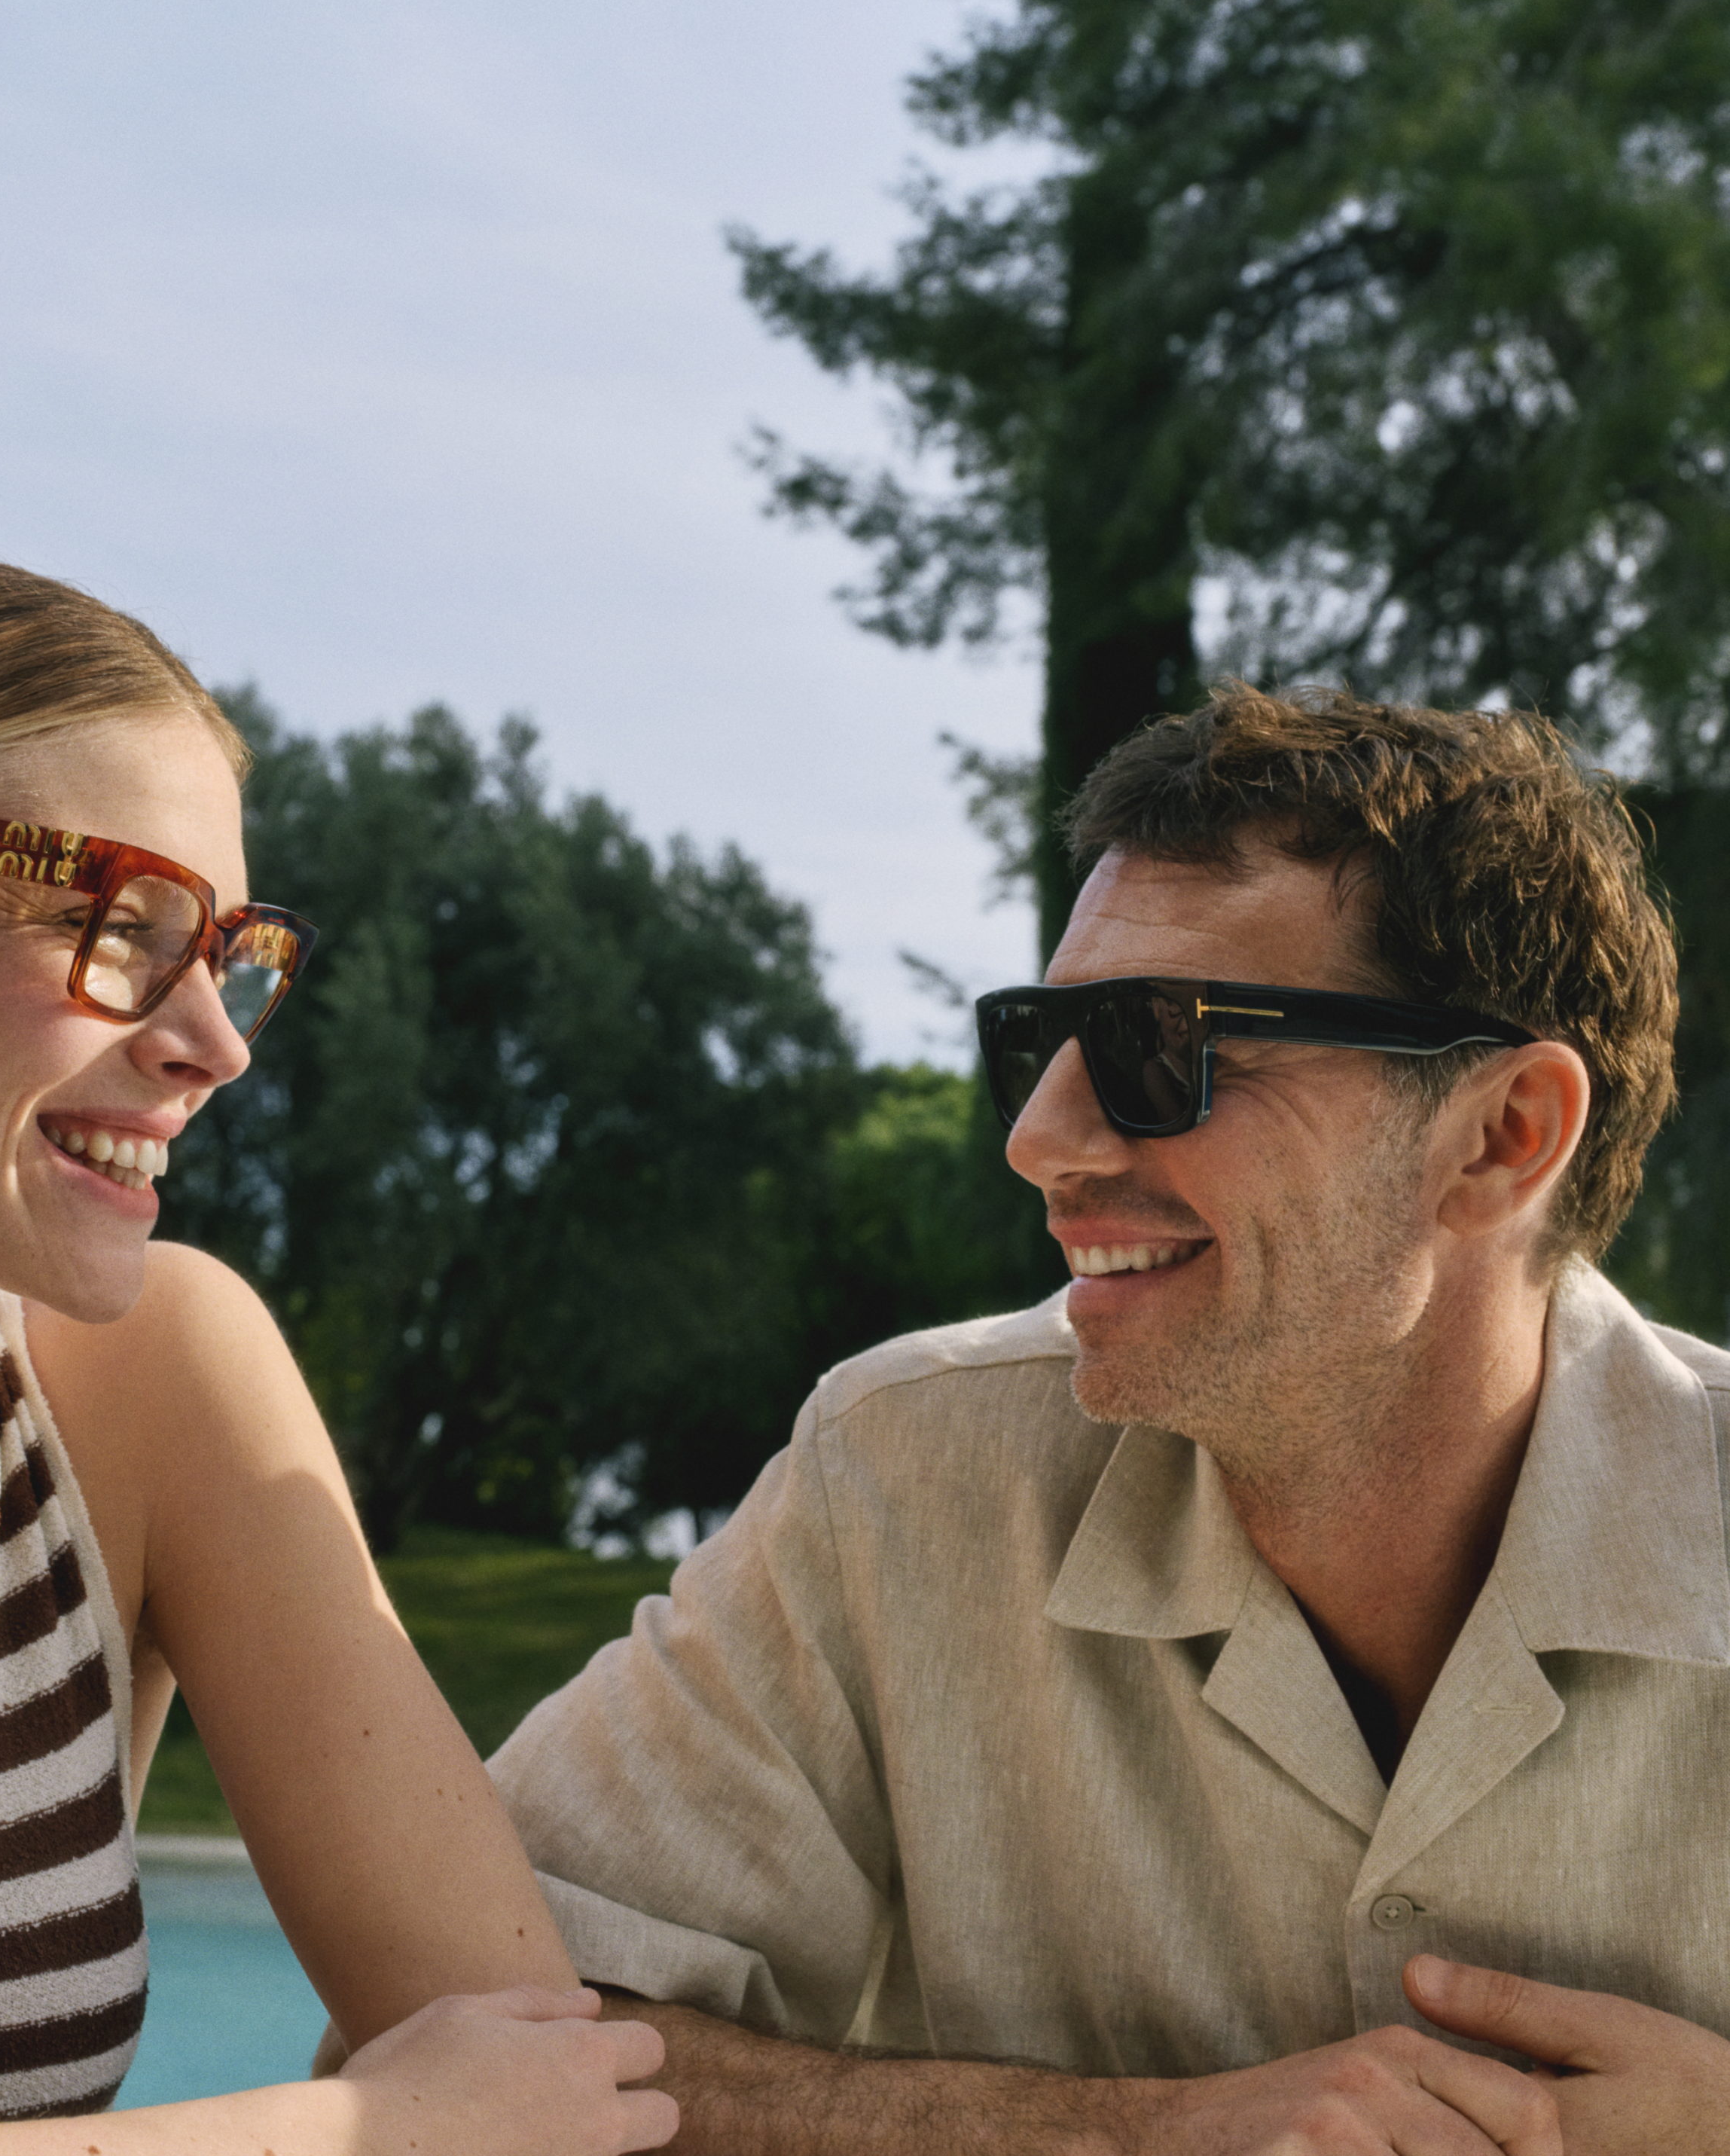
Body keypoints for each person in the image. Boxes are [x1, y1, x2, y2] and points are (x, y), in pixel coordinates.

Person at [487, 684, 1730, 2153]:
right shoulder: (906, 1472)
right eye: (1043, 1040)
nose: (1039, 1141)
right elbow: (476, 2034)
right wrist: (1134, 2134)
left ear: (1500, 1134)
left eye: (1158, 1045)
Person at [0, 545, 676, 2156]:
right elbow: (456, 2113)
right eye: (119, 924)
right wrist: (340, 2136)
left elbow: (546, 2084)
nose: (211, 1042)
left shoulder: (148, 1385)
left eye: (227, 952)